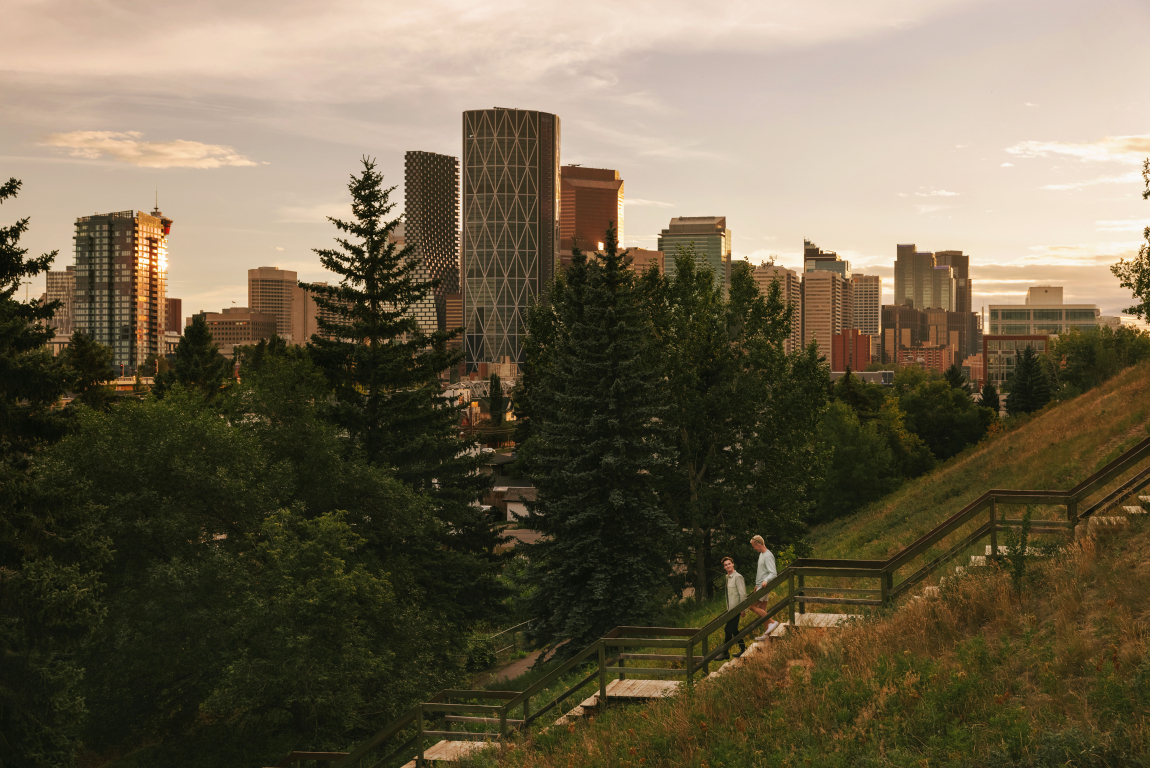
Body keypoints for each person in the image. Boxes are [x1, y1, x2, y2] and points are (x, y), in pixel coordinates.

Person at [748, 534, 780, 641]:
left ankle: (772, 622)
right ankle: (767, 635)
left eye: (754, 546)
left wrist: (765, 580)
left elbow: (773, 573)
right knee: (762, 609)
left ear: (758, 544)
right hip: (760, 585)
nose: (754, 548)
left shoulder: (768, 555)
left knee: (752, 606)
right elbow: (762, 572)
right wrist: (757, 584)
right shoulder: (761, 555)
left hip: (765, 586)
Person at [716, 557, 746, 660]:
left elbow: (743, 594)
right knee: (732, 630)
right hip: (731, 610)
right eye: (725, 565)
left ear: (733, 564)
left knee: (729, 629)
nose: (728, 566)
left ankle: (725, 653)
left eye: (729, 564)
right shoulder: (728, 578)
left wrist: (743, 609)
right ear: (724, 567)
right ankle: (743, 649)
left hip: (737, 609)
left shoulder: (738, 577)